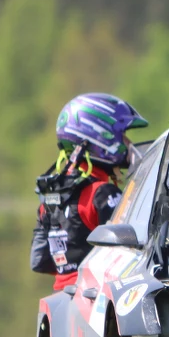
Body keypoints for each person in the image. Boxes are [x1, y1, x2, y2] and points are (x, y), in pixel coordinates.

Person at [31, 93, 148, 292]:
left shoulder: (49, 199)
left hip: (63, 302)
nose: (128, 143)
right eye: (123, 135)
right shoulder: (102, 194)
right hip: (98, 298)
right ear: (101, 136)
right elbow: (138, 248)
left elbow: (40, 262)